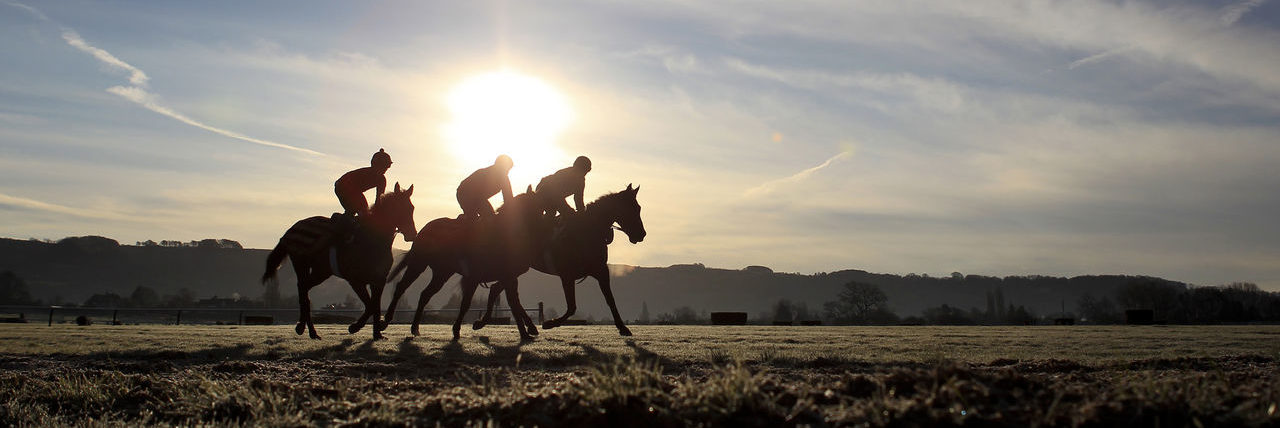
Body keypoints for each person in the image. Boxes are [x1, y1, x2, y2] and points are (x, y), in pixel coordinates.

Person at [335, 148, 392, 218]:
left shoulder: (381, 180)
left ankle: (342, 219)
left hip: (348, 188)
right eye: (384, 166)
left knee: (355, 211)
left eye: (387, 167)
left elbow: (379, 200)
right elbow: (377, 201)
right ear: (376, 165)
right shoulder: (372, 175)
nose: (385, 169)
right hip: (344, 186)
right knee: (363, 212)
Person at [456, 154, 514, 219]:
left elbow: (508, 197)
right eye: (507, 169)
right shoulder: (484, 173)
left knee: (488, 216)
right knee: (479, 217)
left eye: (509, 169)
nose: (507, 172)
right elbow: (508, 198)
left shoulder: (504, 178)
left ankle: (467, 217)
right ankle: (464, 218)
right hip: (465, 194)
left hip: (477, 197)